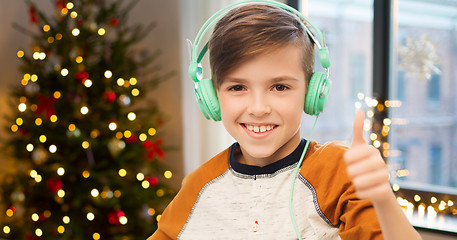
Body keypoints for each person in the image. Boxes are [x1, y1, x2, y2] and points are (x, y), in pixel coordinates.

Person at [148, 1, 422, 239]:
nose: (258, 108)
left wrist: (383, 199)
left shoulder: (338, 173)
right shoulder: (198, 185)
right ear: (212, 96)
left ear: (312, 93)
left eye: (279, 87)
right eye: (237, 87)